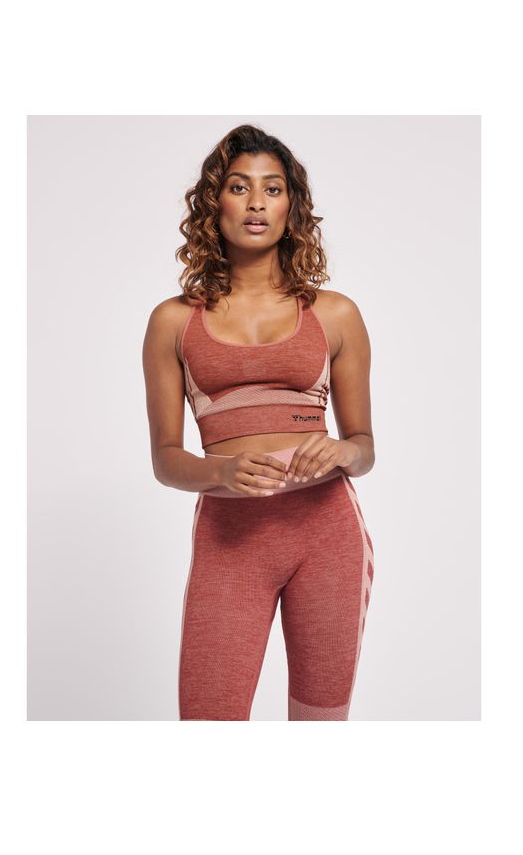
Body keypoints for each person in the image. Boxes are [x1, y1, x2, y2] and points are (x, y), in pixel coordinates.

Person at [142, 124, 375, 721]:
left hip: (327, 535)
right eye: (239, 186)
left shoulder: (335, 314)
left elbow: (364, 445)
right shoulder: (173, 322)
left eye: (272, 189)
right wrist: (220, 470)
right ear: (213, 201)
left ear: (290, 207)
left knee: (319, 723)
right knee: (209, 718)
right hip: (230, 538)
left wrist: (343, 451)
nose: (256, 203)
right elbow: (166, 458)